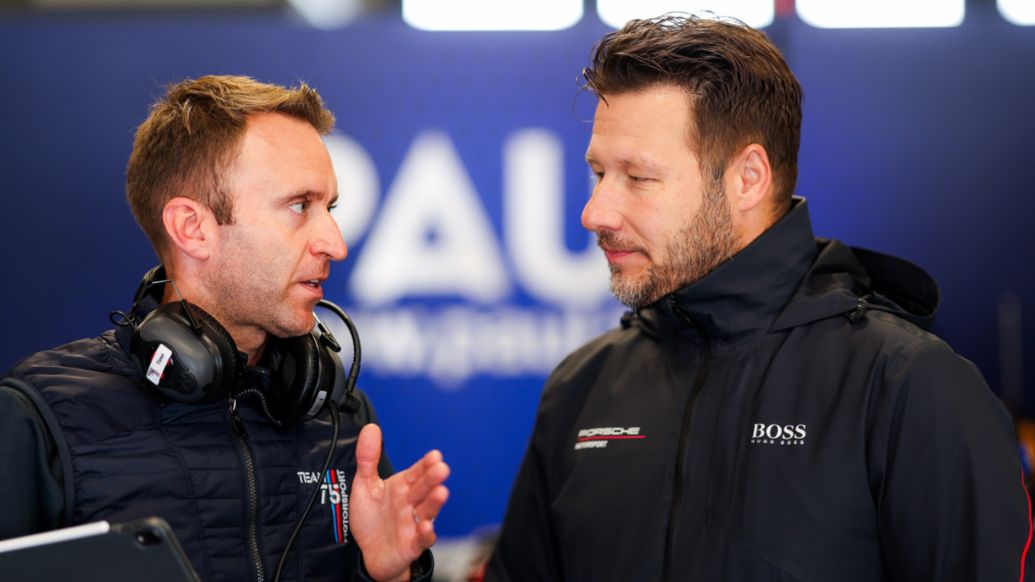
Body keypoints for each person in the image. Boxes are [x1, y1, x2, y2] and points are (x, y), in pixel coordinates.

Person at [487, 14, 1032, 582]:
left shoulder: (907, 386)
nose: (594, 213)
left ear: (748, 179)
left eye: (638, 178)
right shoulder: (582, 386)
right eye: (599, 173)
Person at [0, 75, 449, 582]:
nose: (335, 243)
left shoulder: (338, 413)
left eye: (331, 208)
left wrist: (388, 575)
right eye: (300, 206)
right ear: (192, 228)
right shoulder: (42, 418)